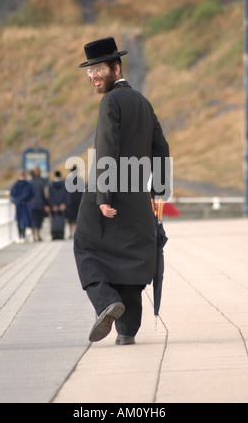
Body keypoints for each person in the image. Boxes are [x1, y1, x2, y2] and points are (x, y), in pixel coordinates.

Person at [73, 37, 170, 345]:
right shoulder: (143, 101)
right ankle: (127, 331)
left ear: (116, 67)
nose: (93, 76)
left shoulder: (110, 102)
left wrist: (103, 197)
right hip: (138, 195)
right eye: (90, 71)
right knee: (131, 258)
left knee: (85, 247)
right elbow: (161, 148)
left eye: (99, 68)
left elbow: (106, 149)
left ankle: (105, 302)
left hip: (108, 191)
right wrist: (158, 190)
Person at [10, 169, 35, 243]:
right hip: (26, 204)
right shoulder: (27, 184)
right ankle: (24, 236)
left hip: (18, 204)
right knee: (25, 220)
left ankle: (20, 235)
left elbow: (12, 193)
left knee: (19, 220)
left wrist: (17, 200)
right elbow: (31, 194)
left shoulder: (16, 184)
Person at [28, 166, 48, 241]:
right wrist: (46, 203)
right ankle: (38, 234)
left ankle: (33, 235)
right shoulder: (42, 182)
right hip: (40, 203)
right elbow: (44, 194)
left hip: (32, 203)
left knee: (33, 219)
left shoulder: (30, 183)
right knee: (39, 219)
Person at [65, 165, 83, 239]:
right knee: (76, 218)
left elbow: (65, 192)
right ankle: (75, 232)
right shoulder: (80, 180)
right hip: (78, 201)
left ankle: (70, 232)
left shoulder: (68, 180)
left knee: (70, 219)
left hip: (69, 202)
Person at [48, 170, 67, 240]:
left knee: (53, 220)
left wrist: (53, 205)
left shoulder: (51, 185)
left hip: (54, 206)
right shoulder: (64, 184)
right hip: (62, 206)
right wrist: (64, 204)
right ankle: (61, 234)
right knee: (62, 220)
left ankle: (54, 235)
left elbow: (50, 196)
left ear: (54, 176)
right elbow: (66, 195)